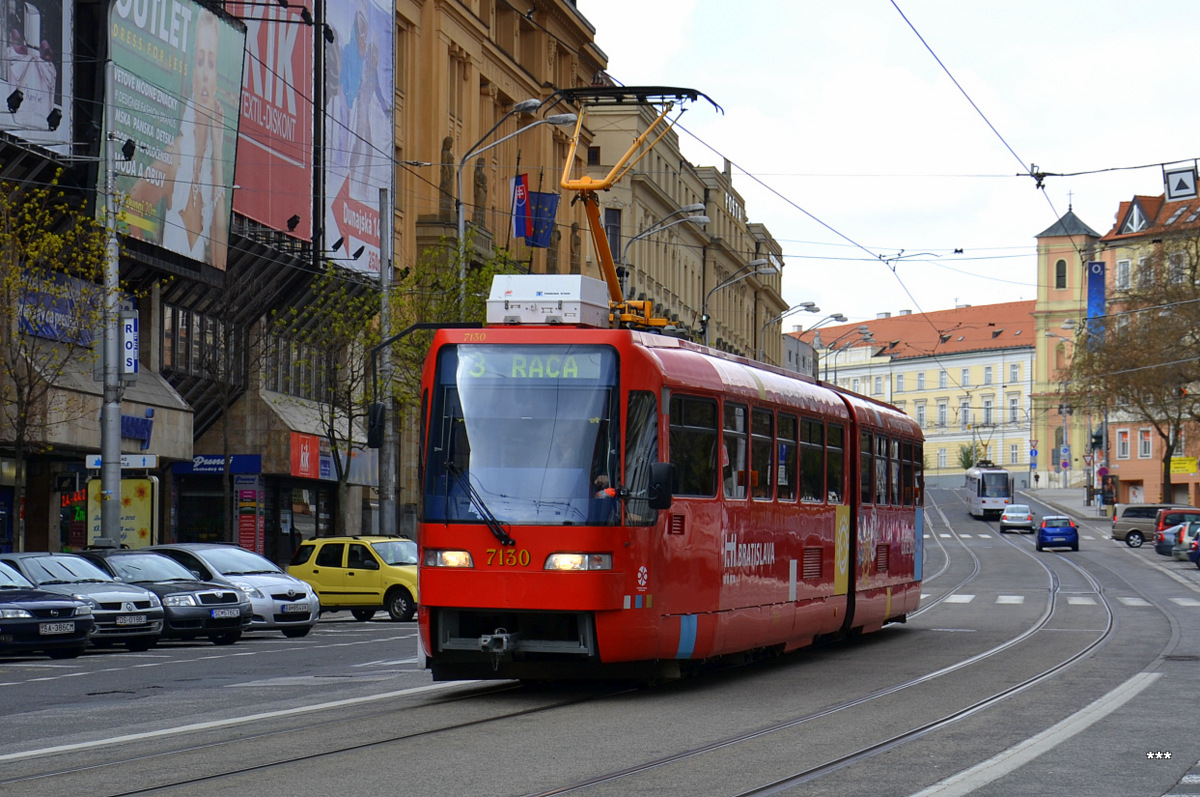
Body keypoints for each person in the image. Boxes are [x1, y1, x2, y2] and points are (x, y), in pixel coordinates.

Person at [128, 13, 229, 270]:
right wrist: (138, 254)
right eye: (200, 61)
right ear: (191, 73)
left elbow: (220, 260)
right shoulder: (176, 154)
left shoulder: (211, 171)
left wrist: (218, 151)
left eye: (211, 63)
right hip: (159, 279)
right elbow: (133, 202)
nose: (205, 73)